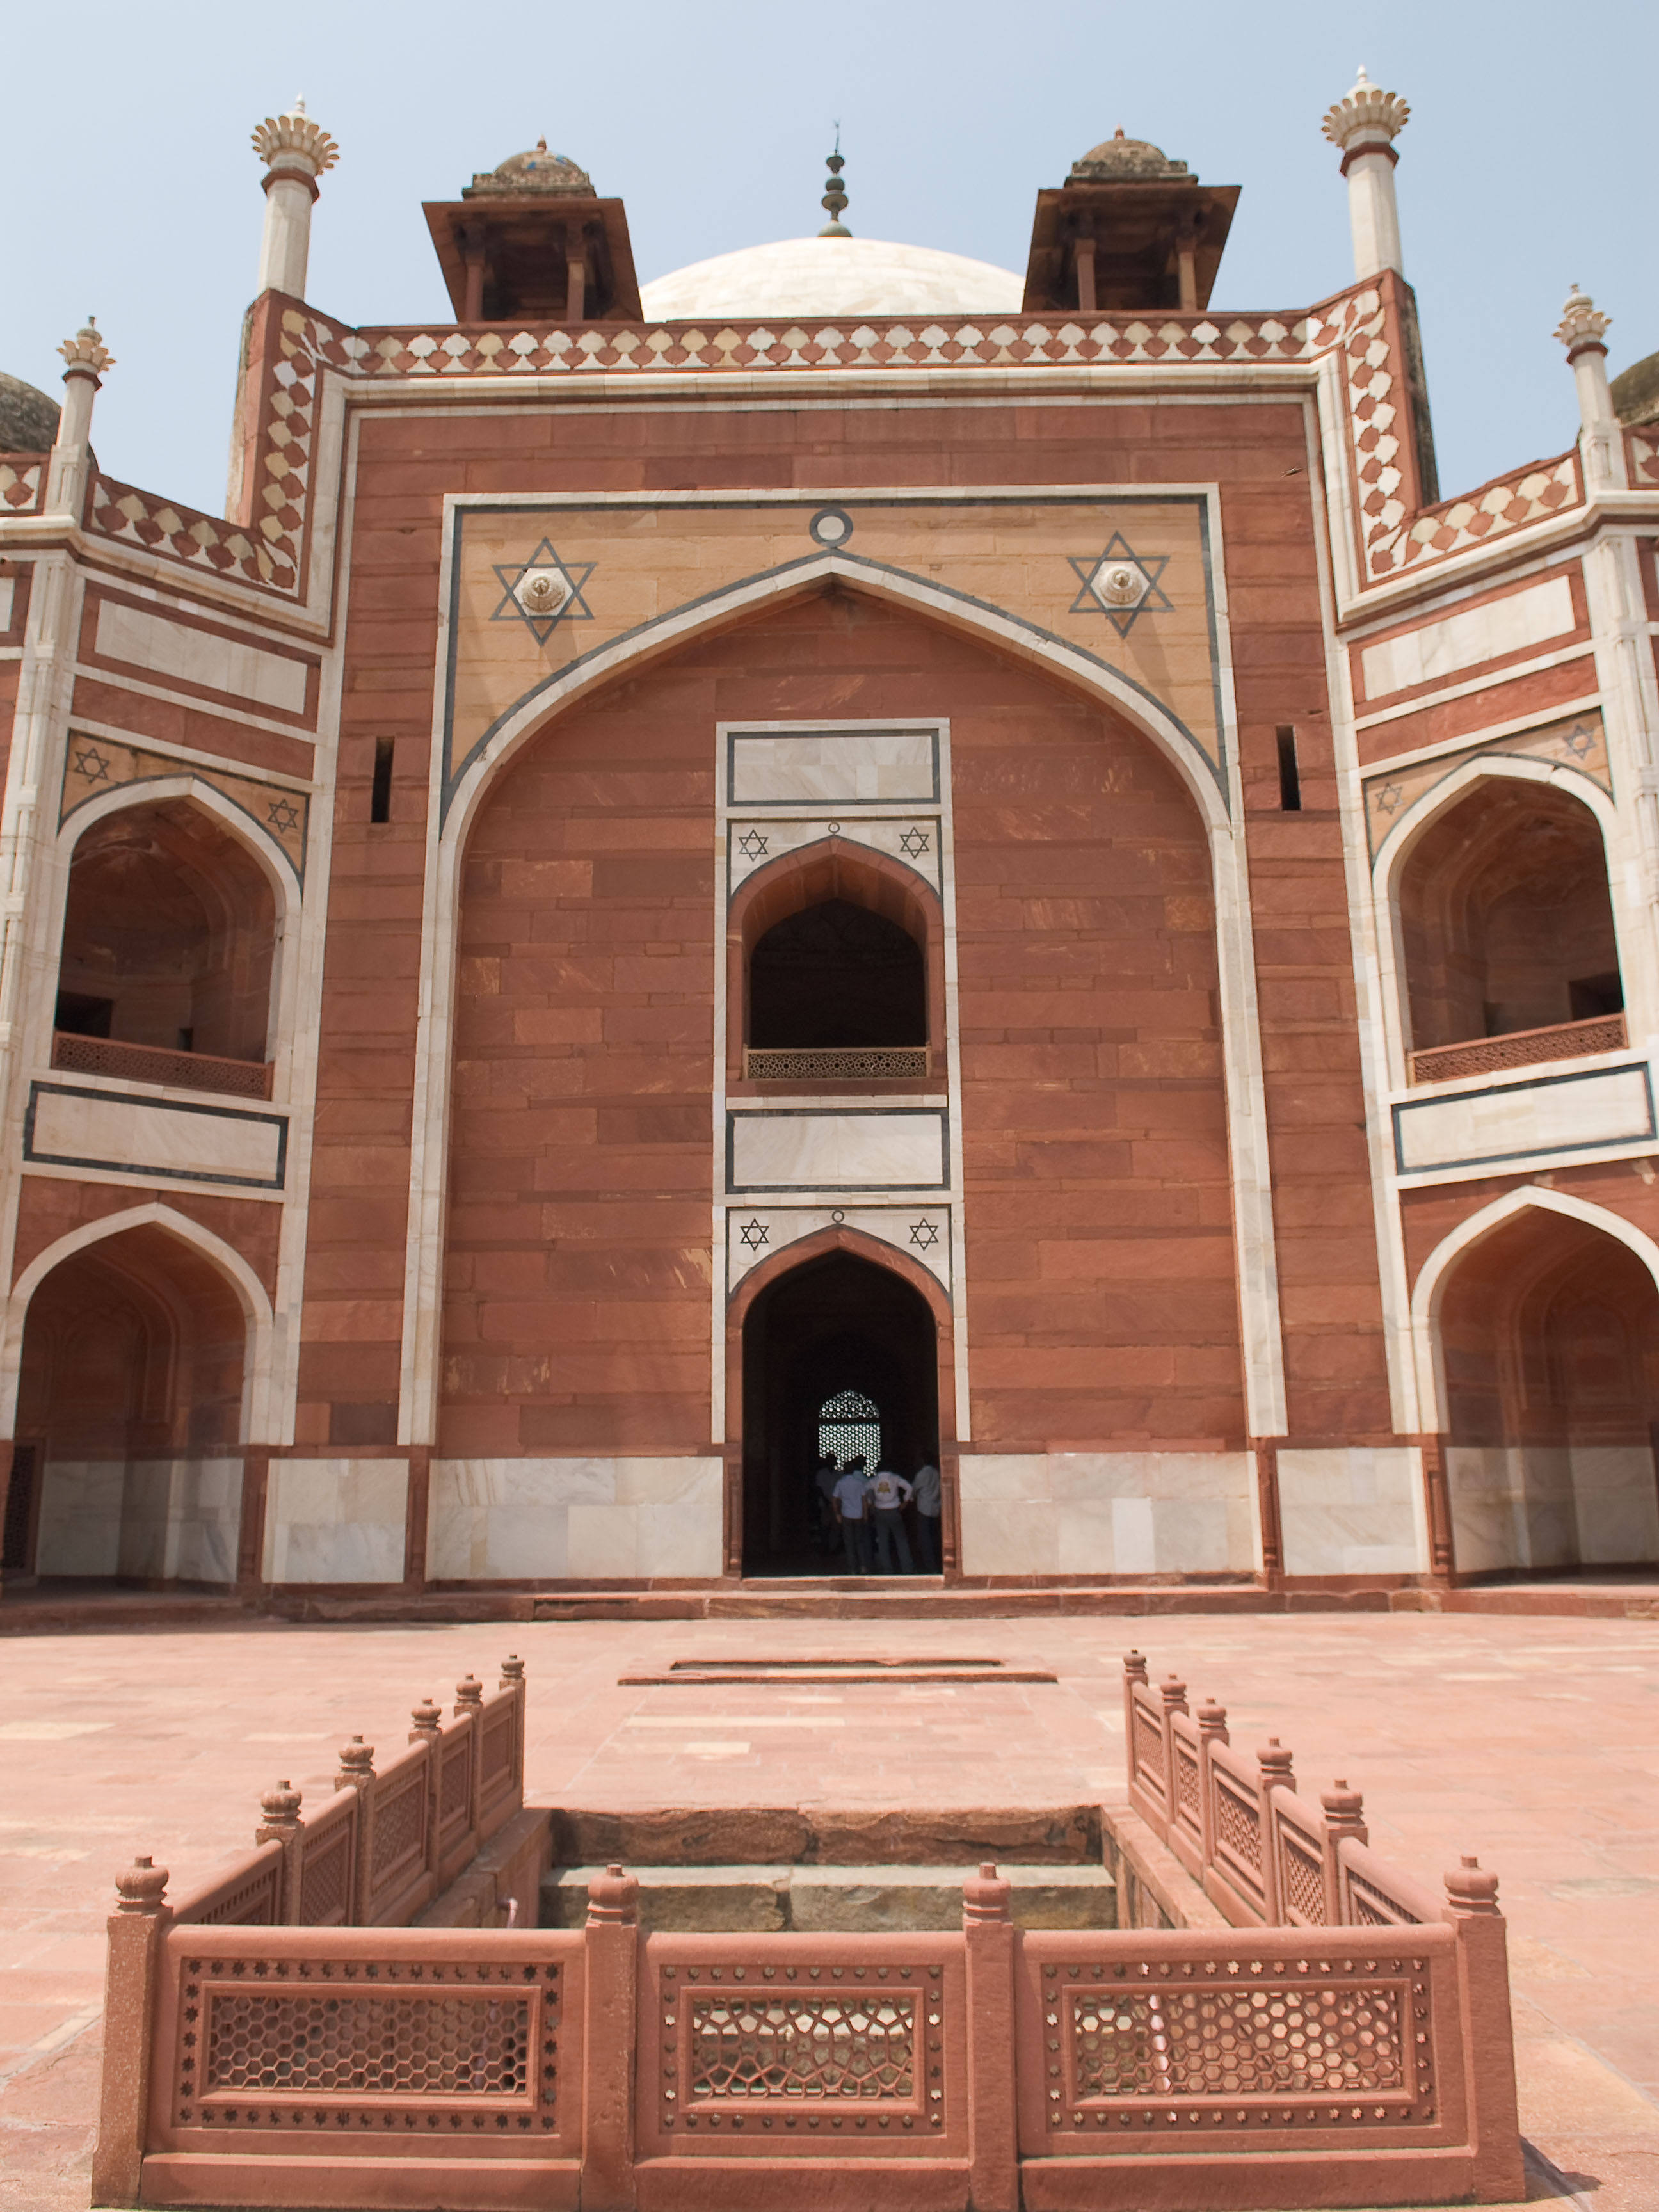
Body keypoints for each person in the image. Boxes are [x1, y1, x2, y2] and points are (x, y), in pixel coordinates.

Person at [868, 1462, 914, 1575]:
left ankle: (886, 1570)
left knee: (883, 1542)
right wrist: (905, 1502)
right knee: (901, 1541)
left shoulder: (874, 1480)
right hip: (894, 1510)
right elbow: (909, 1487)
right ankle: (907, 1569)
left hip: (880, 1511)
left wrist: (870, 1503)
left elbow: (864, 1491)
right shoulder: (895, 1478)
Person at [831, 1455, 872, 1575]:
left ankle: (852, 1568)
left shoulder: (840, 1483)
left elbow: (834, 1499)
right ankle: (863, 1566)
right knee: (860, 1542)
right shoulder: (859, 1483)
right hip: (858, 1515)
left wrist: (837, 1514)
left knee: (849, 1542)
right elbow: (864, 1500)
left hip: (846, 1514)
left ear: (844, 1470)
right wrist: (865, 1515)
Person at [911, 1456, 942, 1573]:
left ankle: (929, 1566)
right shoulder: (937, 1472)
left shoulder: (922, 1474)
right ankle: (936, 1564)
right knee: (934, 1537)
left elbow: (913, 1489)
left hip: (924, 1509)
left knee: (925, 1539)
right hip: (936, 1508)